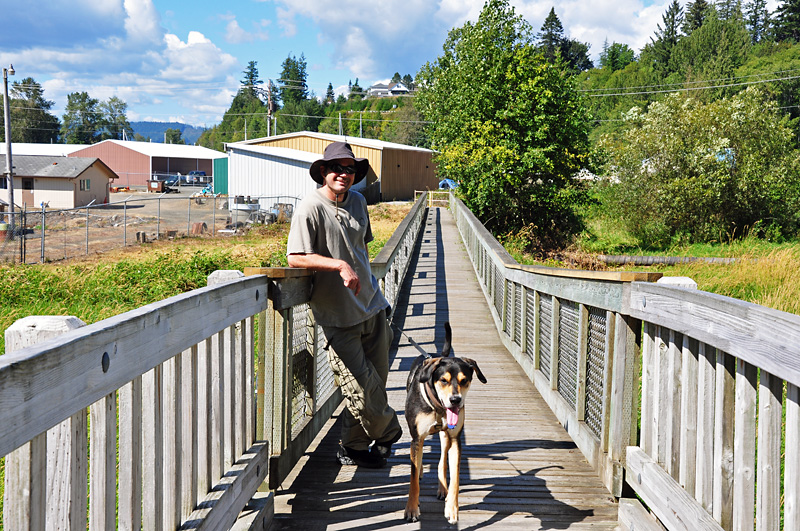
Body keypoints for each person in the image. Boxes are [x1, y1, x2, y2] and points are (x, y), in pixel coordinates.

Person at [286, 141, 402, 468]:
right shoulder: (310, 207)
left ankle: (352, 447)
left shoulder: (360, 202)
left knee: (375, 384)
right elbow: (295, 257)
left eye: (350, 169)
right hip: (338, 317)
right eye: (337, 168)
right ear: (323, 172)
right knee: (364, 390)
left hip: (373, 308)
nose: (344, 174)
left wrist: (374, 291)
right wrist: (337, 265)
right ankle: (391, 432)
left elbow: (361, 251)